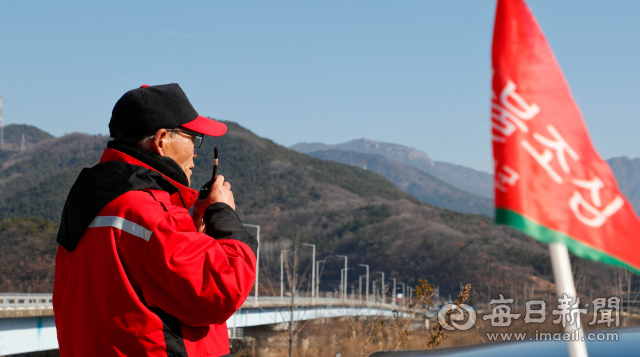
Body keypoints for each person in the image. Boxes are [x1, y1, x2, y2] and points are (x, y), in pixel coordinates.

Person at [53, 83, 258, 357]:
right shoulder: (155, 216)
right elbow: (223, 289)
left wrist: (191, 231)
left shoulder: (90, 201)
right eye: (192, 137)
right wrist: (223, 213)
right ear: (162, 140)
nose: (196, 152)